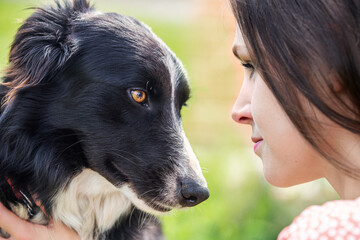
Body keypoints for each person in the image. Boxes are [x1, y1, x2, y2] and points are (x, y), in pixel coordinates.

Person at [1, 0, 360, 239]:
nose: (237, 109)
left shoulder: (330, 229)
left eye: (253, 67)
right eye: (138, 95)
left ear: (331, 74)